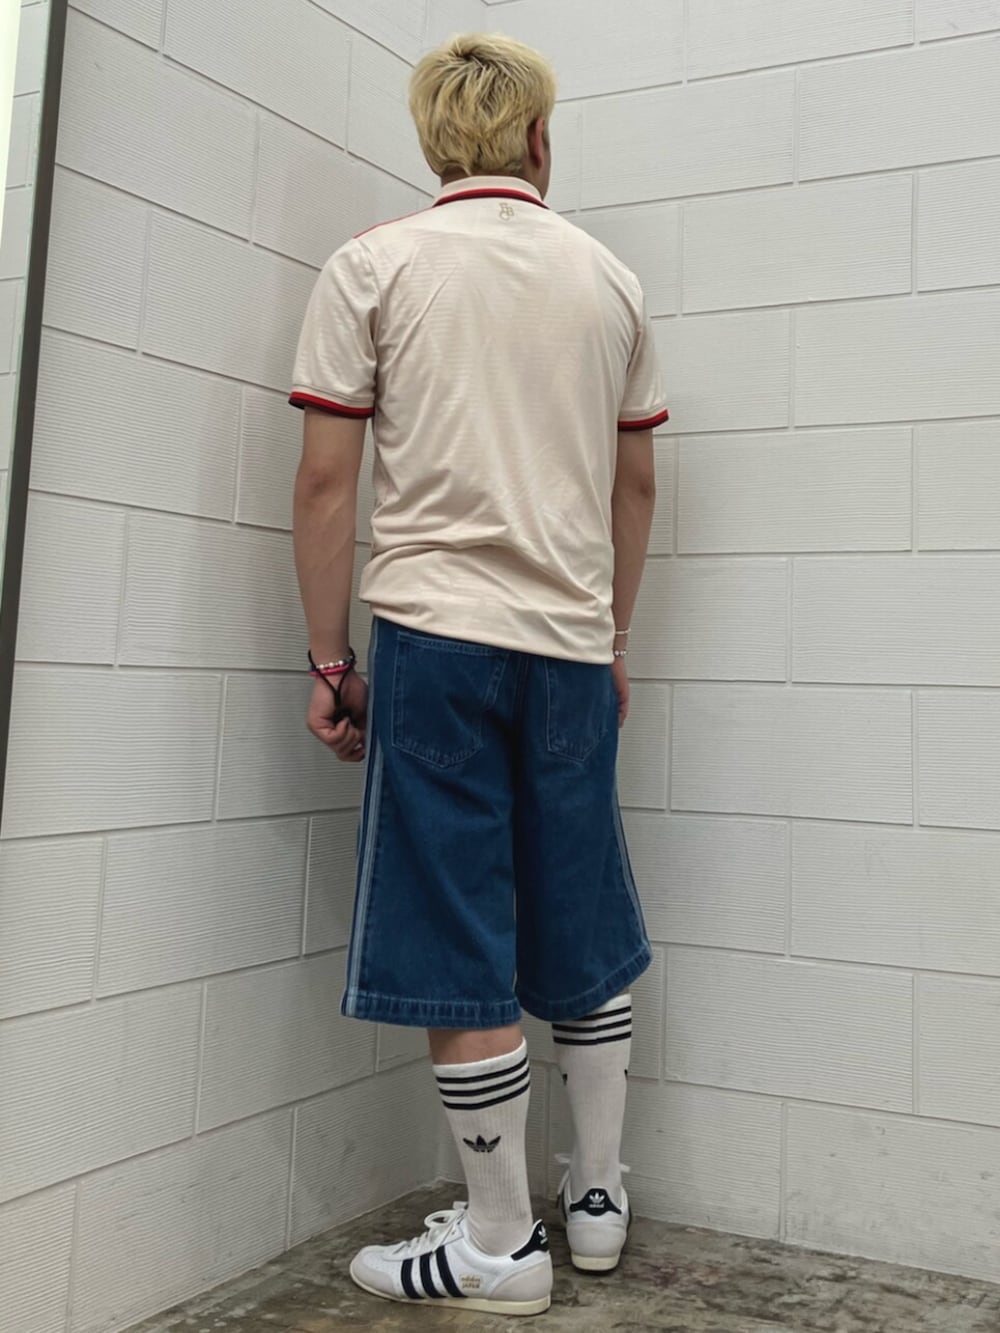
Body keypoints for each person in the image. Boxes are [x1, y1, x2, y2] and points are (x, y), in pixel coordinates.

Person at [289, 31, 667, 1317]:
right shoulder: (608, 280)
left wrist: (330, 659)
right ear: (539, 138)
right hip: (570, 646)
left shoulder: (374, 264)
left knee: (456, 928)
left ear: (433, 140)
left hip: (437, 641)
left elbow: (327, 481)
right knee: (579, 910)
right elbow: (634, 485)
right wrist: (611, 643)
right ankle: (596, 1200)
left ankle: (501, 1244)